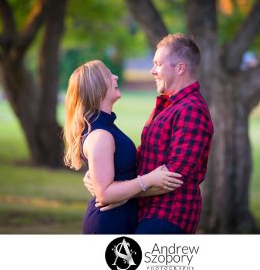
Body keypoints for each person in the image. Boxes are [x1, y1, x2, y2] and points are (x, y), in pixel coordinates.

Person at [85, 33, 214, 234]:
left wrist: (119, 193)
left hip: (170, 216)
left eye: (158, 64)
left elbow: (173, 176)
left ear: (180, 68)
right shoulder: (168, 105)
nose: (152, 71)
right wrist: (100, 174)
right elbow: (144, 158)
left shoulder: (191, 109)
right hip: (147, 213)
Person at [63, 59, 183, 234]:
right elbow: (104, 194)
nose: (115, 76)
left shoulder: (105, 127)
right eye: (108, 74)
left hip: (121, 218)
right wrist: (149, 180)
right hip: (108, 223)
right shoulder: (101, 136)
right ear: (97, 90)